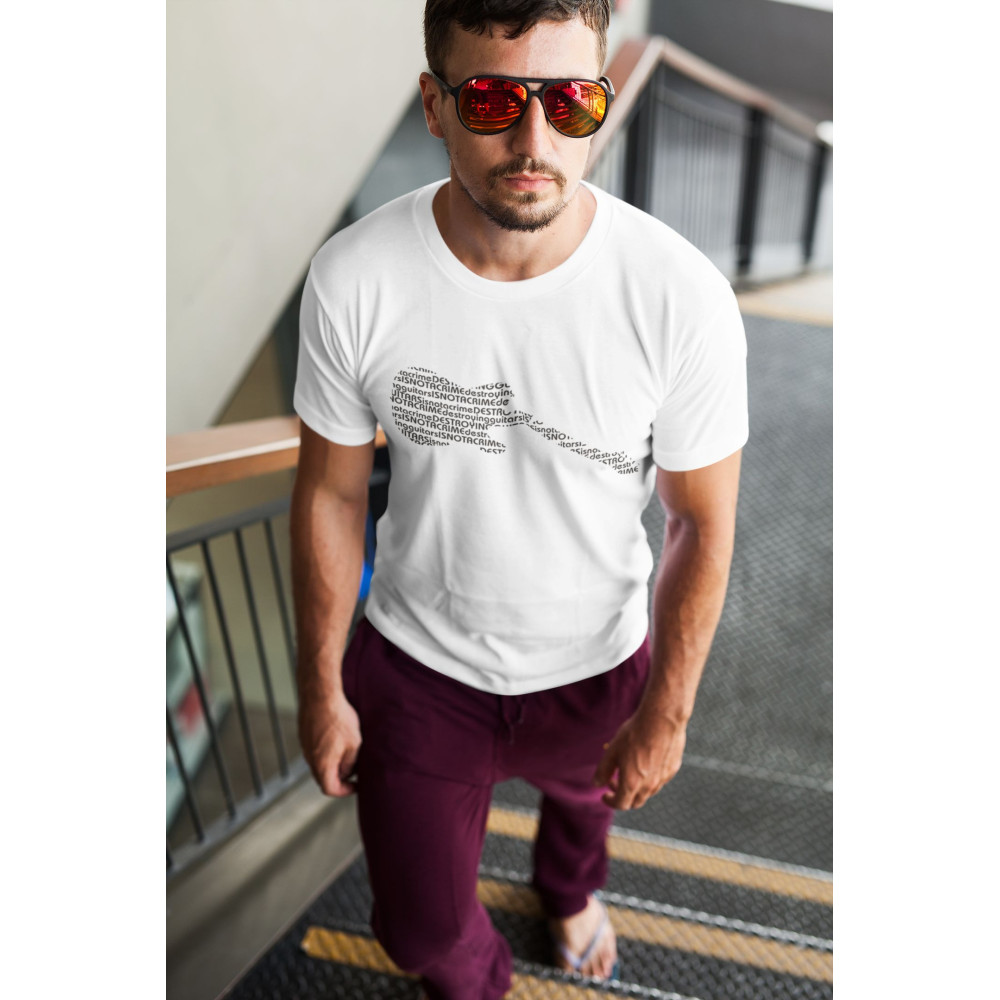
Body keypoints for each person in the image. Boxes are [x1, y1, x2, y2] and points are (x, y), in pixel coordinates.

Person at [290, 2, 747, 997]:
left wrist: (667, 712)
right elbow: (328, 492)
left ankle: (570, 887)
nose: (535, 141)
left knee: (586, 804)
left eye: (570, 101)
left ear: (601, 101)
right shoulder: (354, 278)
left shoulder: (680, 296)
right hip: (421, 669)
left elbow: (700, 520)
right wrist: (320, 684)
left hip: (599, 660)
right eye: (495, 100)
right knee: (417, 933)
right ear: (435, 106)